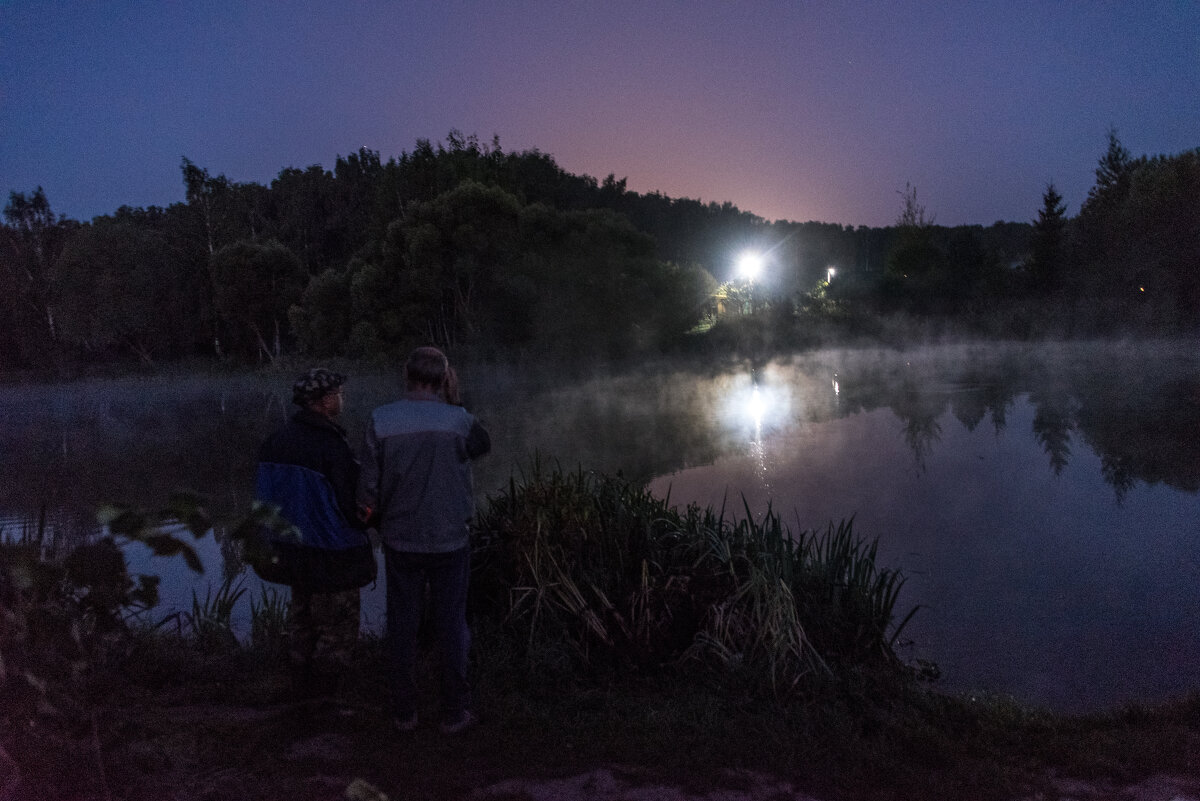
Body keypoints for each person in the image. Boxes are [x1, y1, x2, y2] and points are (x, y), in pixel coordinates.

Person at [359, 347, 490, 735]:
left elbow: (367, 490)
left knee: (402, 624)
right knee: (451, 624)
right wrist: (453, 399)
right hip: (450, 540)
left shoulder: (380, 420)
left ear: (407, 376)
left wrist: (372, 519)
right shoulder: (460, 422)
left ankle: (404, 712)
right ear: (444, 378)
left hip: (401, 541)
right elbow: (483, 445)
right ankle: (454, 713)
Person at [254, 368, 376, 701]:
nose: (342, 398)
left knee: (302, 625)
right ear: (322, 402)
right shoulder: (331, 447)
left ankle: (300, 695)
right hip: (332, 557)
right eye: (338, 392)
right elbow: (353, 507)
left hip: (292, 554)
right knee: (336, 632)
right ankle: (327, 707)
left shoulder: (274, 442)